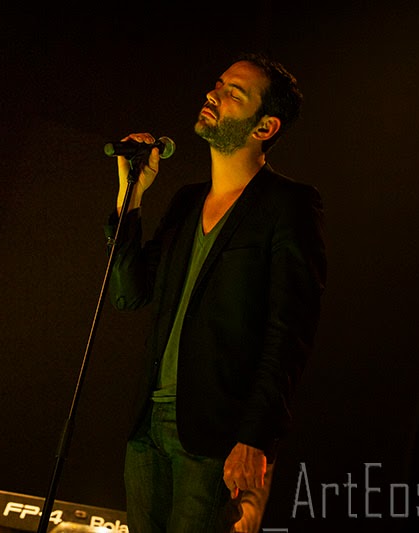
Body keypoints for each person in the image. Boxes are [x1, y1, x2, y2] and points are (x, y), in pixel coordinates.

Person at [104, 52, 327, 533]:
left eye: (233, 93)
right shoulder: (186, 201)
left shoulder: (288, 206)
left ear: (264, 126)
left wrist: (256, 437)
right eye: (218, 84)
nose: (213, 94)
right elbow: (129, 293)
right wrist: (131, 194)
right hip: (148, 426)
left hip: (215, 435)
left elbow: (289, 332)